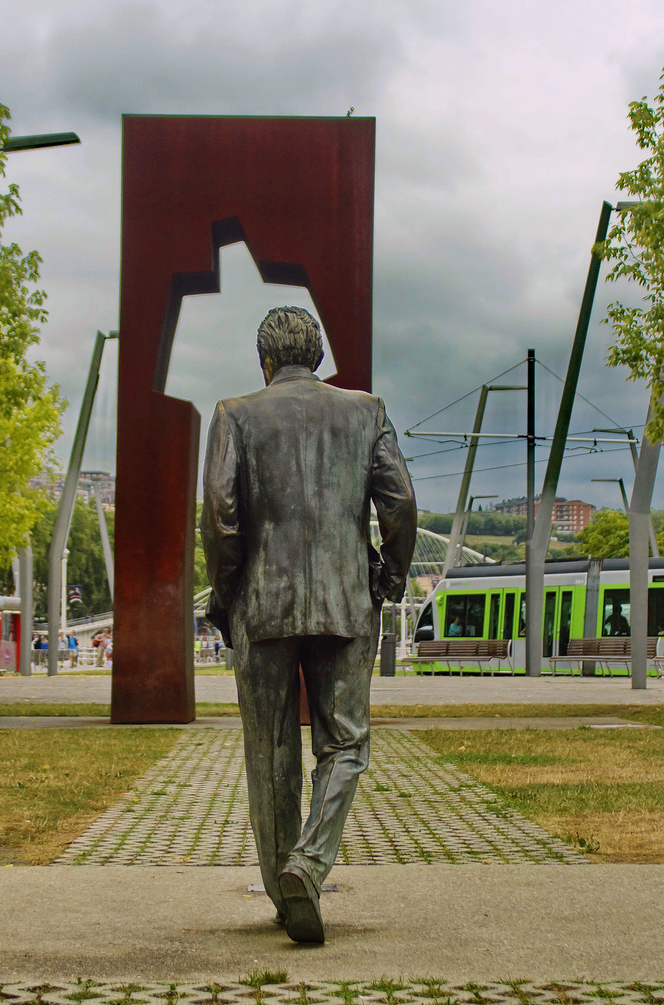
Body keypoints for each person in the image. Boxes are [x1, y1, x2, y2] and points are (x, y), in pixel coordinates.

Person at [201, 306, 417, 944]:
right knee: (345, 743)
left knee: (269, 751)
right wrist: (389, 578)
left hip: (262, 604)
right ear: (317, 356)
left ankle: (282, 888)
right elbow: (399, 503)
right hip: (346, 602)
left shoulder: (234, 414)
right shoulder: (366, 411)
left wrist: (227, 594)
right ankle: (310, 864)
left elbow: (220, 514)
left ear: (264, 360)